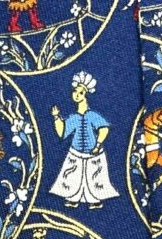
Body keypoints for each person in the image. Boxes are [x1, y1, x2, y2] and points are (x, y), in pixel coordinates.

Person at [50, 72, 119, 209]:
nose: (76, 94)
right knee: (72, 175)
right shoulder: (74, 117)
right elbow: (62, 133)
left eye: (80, 92)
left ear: (86, 95)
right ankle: (73, 198)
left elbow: (104, 128)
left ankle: (94, 200)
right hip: (75, 153)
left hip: (93, 154)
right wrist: (57, 117)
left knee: (94, 176)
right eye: (75, 91)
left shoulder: (92, 115)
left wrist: (97, 145)